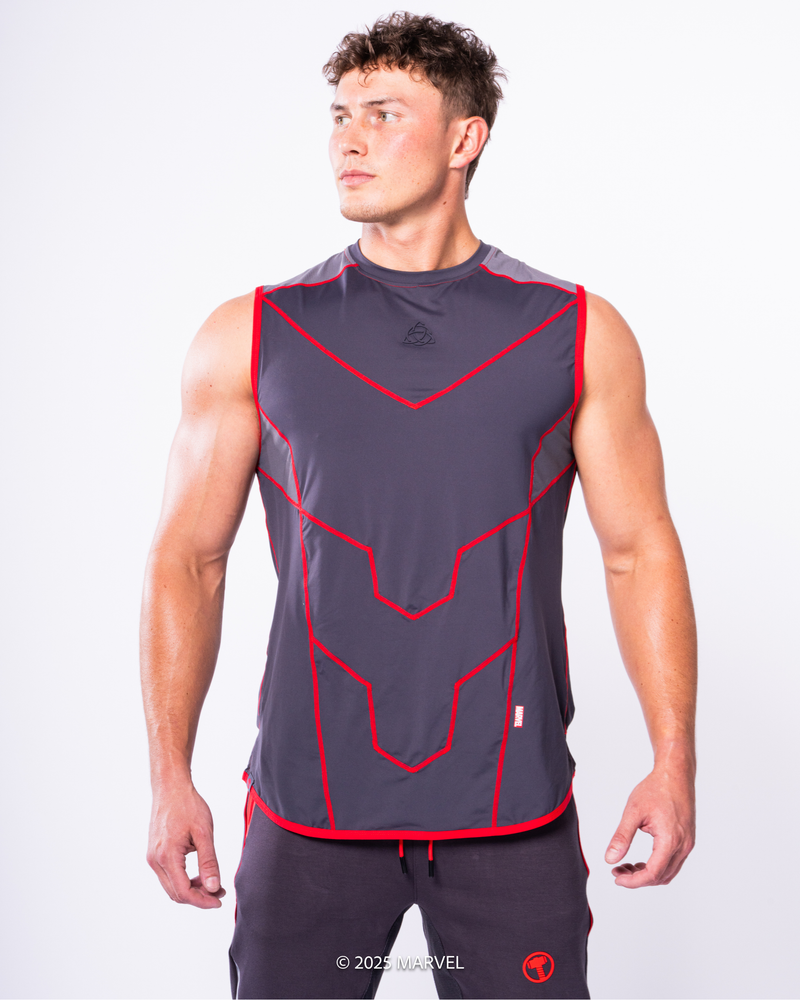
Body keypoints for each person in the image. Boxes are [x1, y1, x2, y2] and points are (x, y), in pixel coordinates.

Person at [140, 12, 697, 999]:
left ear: (463, 138)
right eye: (339, 115)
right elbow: (189, 559)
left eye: (384, 114)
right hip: (307, 814)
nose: (348, 139)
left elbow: (637, 551)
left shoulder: (574, 331)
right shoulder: (253, 334)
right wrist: (168, 777)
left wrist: (672, 761)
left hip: (510, 814)